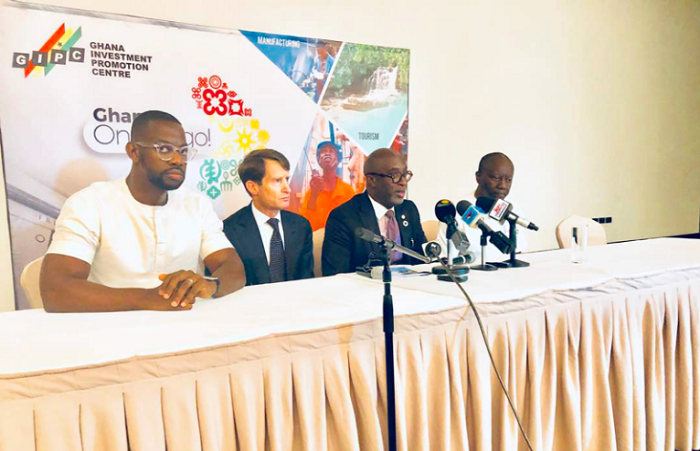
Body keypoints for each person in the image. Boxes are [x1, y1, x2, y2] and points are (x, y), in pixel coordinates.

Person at [40, 110, 246, 313]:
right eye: (164, 149)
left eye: (183, 151)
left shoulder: (196, 204)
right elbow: (56, 290)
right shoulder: (90, 203)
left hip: (186, 326)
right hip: (111, 331)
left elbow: (232, 267)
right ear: (134, 152)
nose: (177, 160)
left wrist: (210, 284)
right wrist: (148, 298)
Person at [322, 148, 427, 276]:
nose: (403, 182)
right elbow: (336, 276)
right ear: (372, 180)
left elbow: (422, 261)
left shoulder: (409, 210)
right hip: (366, 291)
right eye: (395, 176)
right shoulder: (343, 217)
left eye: (405, 175)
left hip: (409, 289)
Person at [223, 149, 314, 285]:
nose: (287, 189)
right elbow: (227, 283)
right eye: (277, 181)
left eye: (286, 179)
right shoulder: (230, 230)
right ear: (253, 187)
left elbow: (306, 279)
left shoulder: (301, 226)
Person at [438, 152, 529, 262]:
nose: (503, 186)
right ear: (478, 177)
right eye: (496, 178)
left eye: (508, 180)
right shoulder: (457, 211)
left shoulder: (513, 209)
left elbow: (518, 252)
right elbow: (446, 260)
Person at [298, 141, 355, 231]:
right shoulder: (311, 192)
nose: (327, 153)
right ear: (318, 159)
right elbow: (306, 223)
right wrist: (314, 196)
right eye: (323, 151)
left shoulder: (348, 191)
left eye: (331, 151)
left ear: (338, 159)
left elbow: (353, 222)